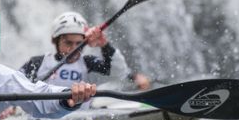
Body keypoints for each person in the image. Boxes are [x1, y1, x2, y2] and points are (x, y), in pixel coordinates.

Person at [20, 11, 150, 90]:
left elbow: (118, 72)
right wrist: (12, 106)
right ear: (55, 41)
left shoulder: (88, 64)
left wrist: (104, 44)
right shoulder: (37, 63)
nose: (73, 48)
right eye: (68, 43)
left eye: (79, 44)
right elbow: (15, 84)